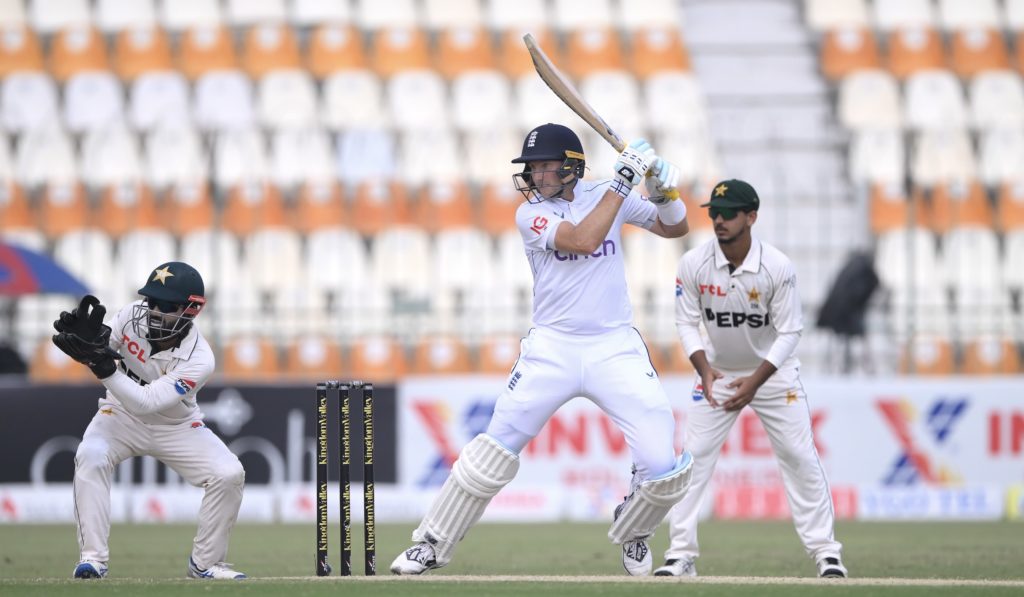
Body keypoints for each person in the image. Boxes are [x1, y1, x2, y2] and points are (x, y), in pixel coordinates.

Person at [390, 123, 694, 576]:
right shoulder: (529, 214)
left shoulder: (607, 194)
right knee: (492, 451)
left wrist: (663, 192)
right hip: (553, 346)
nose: (534, 175)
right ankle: (431, 543)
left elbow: (676, 229)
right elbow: (583, 239)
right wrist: (624, 181)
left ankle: (634, 530)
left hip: (615, 345)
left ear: (571, 165)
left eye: (543, 166)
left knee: (662, 464)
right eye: (530, 168)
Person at [654, 180, 847, 578]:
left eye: (729, 213)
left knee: (799, 458)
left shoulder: (777, 267)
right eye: (714, 213)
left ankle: (827, 553)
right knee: (692, 461)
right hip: (720, 373)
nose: (719, 220)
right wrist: (705, 371)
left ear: (751, 217)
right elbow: (686, 322)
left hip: (773, 376)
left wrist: (755, 383)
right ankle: (680, 555)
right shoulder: (693, 263)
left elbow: (791, 332)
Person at [51, 262, 247, 580]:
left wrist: (100, 366)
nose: (154, 311)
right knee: (91, 455)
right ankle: (93, 560)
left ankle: (206, 564)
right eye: (151, 301)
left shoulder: (200, 358)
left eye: (166, 305)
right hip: (118, 416)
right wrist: (90, 347)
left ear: (192, 309)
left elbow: (147, 403)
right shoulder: (130, 315)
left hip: (176, 426)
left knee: (229, 473)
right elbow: (102, 348)